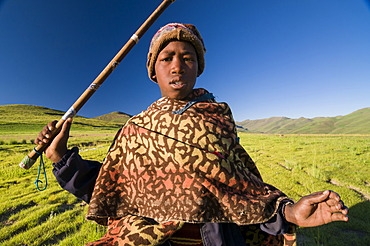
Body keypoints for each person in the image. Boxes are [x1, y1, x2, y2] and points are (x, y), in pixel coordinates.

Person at [35, 23, 348, 246]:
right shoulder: (136, 129)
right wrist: (60, 157)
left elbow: (245, 193)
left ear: (198, 67)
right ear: (153, 71)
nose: (177, 66)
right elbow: (109, 189)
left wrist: (290, 212)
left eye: (187, 57)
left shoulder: (218, 121)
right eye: (166, 57)